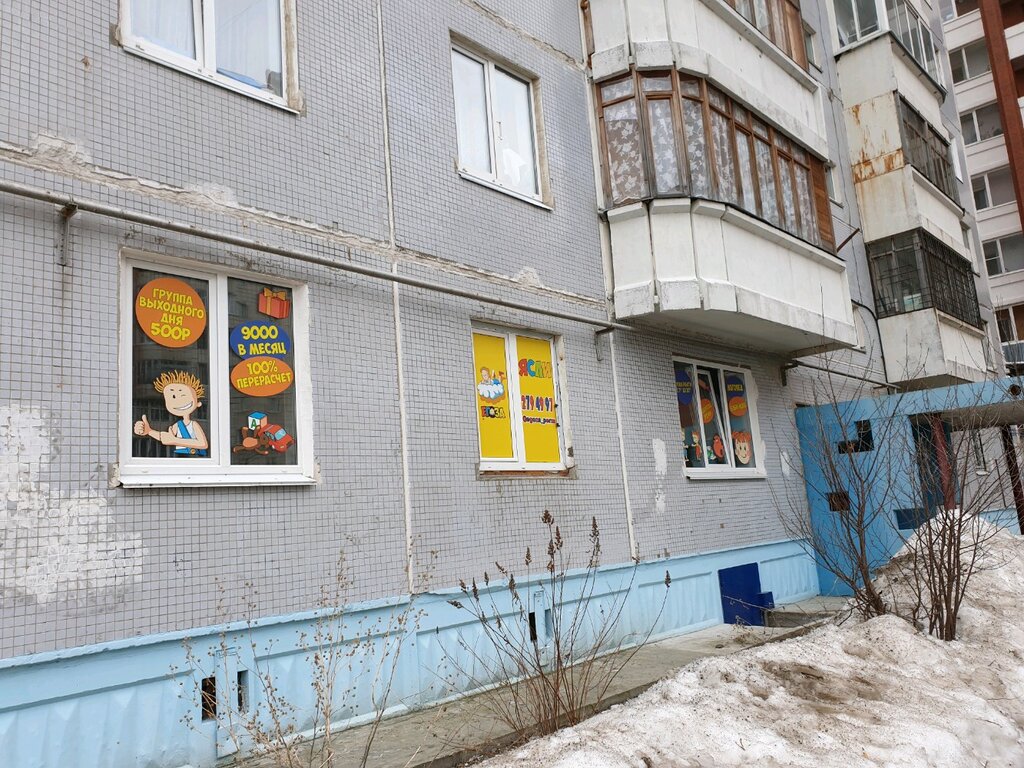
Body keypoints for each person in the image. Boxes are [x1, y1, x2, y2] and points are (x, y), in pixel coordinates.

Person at [134, 371, 209, 456]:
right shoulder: (178, 425)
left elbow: (203, 444)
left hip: (195, 458)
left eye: (183, 395)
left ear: (198, 403)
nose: (178, 401)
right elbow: (164, 437)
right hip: (180, 457)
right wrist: (149, 431)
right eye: (173, 397)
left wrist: (175, 440)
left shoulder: (193, 424)